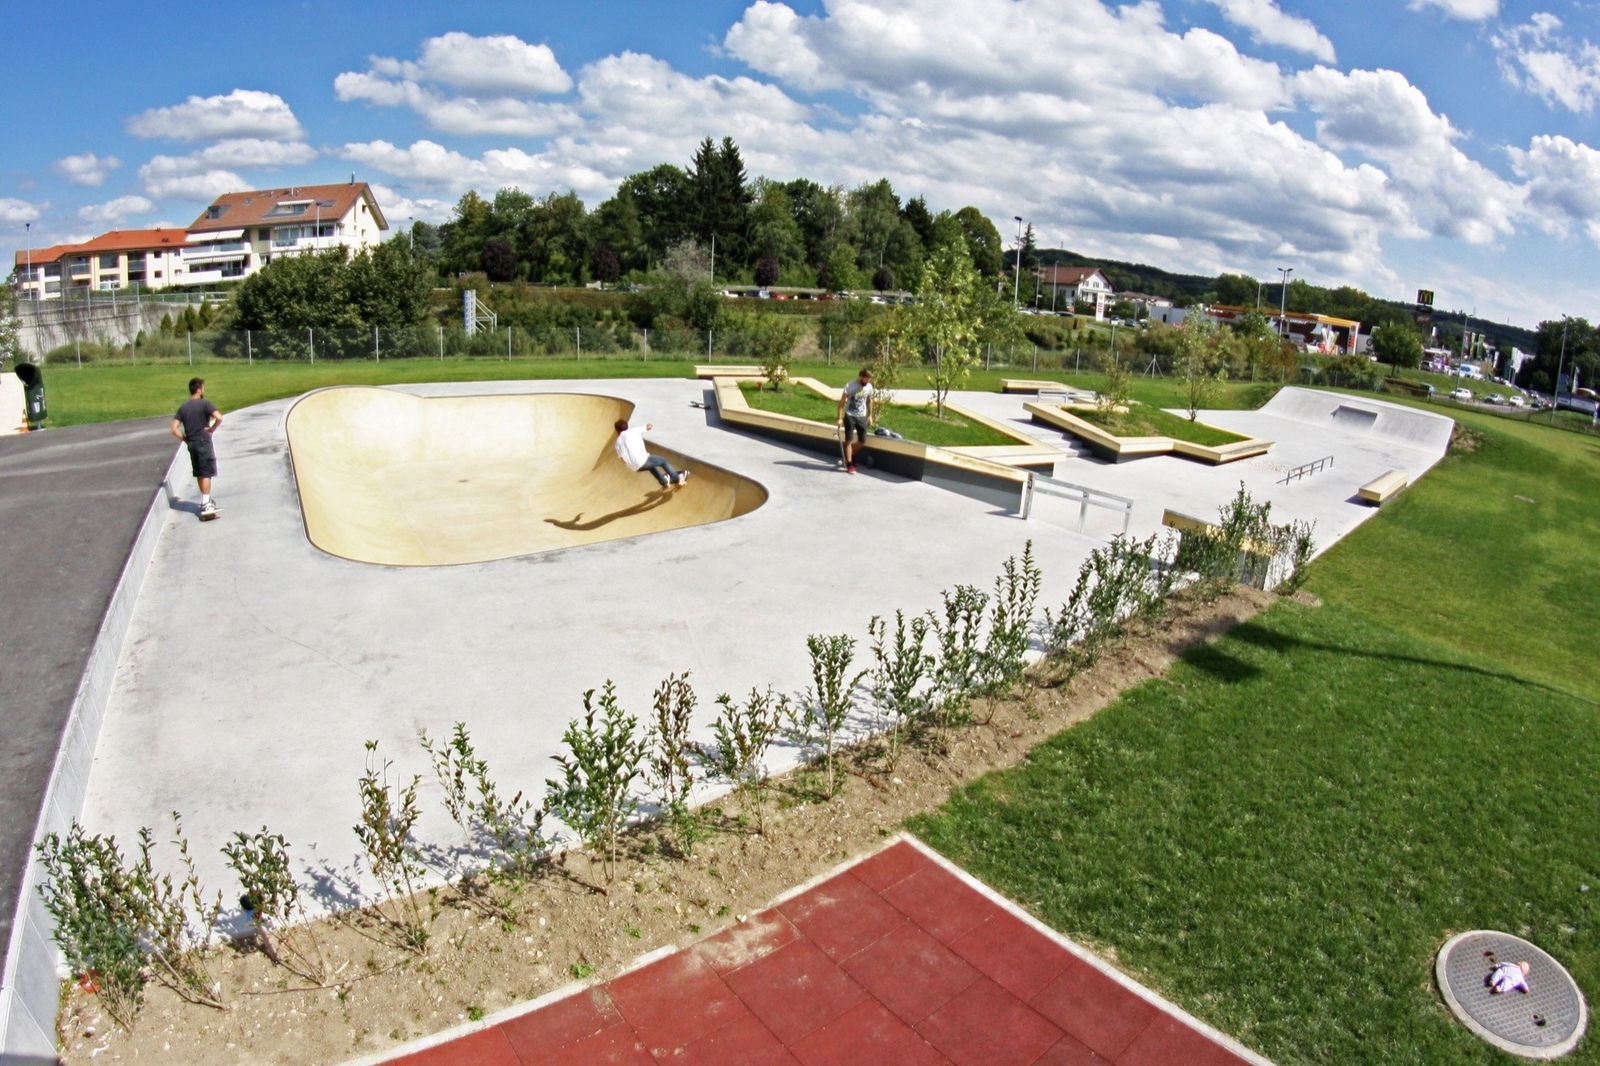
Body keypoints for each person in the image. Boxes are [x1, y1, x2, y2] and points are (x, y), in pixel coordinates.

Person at [171, 377, 223, 519]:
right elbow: (219, 417)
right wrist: (212, 429)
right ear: (199, 389)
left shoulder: (183, 407)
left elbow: (174, 429)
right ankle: (206, 502)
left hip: (192, 443)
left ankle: (206, 500)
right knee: (206, 472)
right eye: (203, 388)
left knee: (199, 472)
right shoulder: (205, 404)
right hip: (203, 441)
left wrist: (185, 439)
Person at [613, 419, 688, 489]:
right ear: (627, 426)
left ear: (617, 431)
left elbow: (622, 460)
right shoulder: (634, 430)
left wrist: (632, 463)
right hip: (642, 460)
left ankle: (664, 482)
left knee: (650, 466)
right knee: (663, 461)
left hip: (633, 467)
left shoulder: (617, 443)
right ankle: (678, 479)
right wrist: (650, 424)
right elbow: (649, 426)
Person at [835, 367, 875, 473]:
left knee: (862, 440)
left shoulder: (869, 387)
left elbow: (869, 401)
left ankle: (850, 454)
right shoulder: (850, 386)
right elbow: (842, 403)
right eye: (866, 379)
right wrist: (839, 417)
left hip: (862, 416)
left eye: (869, 379)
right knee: (849, 440)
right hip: (850, 415)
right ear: (861, 377)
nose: (868, 381)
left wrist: (870, 415)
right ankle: (849, 464)